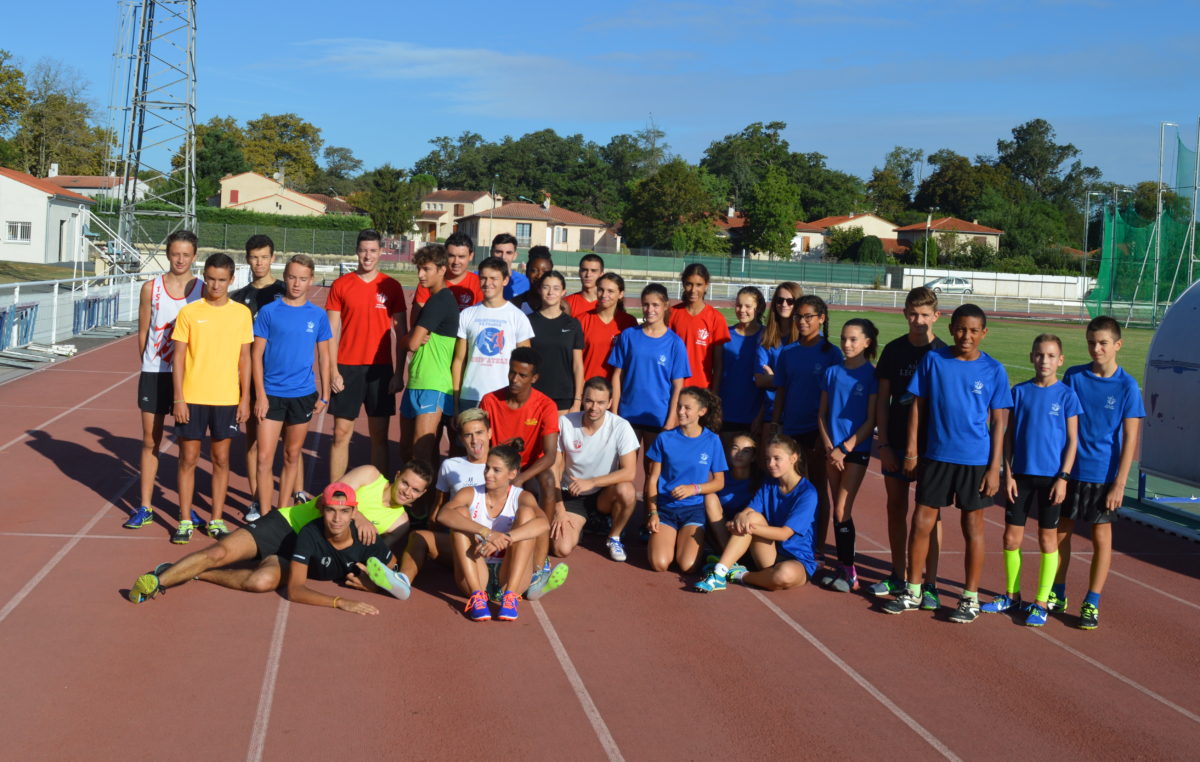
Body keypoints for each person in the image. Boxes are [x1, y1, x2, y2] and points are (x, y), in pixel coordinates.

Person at [127, 463, 431, 602]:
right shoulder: (370, 475)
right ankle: (157, 581)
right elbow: (330, 493)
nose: (408, 492)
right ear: (397, 475)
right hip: (288, 525)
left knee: (260, 582)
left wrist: (369, 583)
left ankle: (193, 573)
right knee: (219, 553)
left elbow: (371, 555)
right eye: (406, 483)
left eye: (416, 491)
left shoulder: (399, 522)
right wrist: (359, 518)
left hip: (313, 553)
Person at [883, 304, 1011, 623]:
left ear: (984, 333)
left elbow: (999, 423)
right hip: (937, 456)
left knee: (973, 528)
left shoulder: (994, 369)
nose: (966, 335)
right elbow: (917, 407)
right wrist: (912, 450)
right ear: (952, 328)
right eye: (961, 329)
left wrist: (995, 468)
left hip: (975, 461)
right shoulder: (934, 360)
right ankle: (913, 589)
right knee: (921, 521)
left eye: (973, 330)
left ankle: (969, 597)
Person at [980, 334, 1080, 627]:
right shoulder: (1019, 392)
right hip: (1020, 477)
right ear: (1031, 357)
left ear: (1060, 360)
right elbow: (1009, 437)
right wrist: (1007, 473)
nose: (1044, 361)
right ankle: (1012, 595)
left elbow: (1073, 441)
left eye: (1050, 356)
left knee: (1048, 540)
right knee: (1011, 538)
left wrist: (1063, 477)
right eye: (1039, 355)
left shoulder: (1067, 396)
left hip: (1052, 479)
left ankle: (1041, 602)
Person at [1052, 316, 1144, 630]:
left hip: (1104, 476)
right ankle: (1058, 591)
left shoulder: (1127, 386)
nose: (1097, 348)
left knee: (1100, 538)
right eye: (1092, 342)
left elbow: (1131, 437)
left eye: (1103, 342)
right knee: (1060, 532)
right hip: (1070, 470)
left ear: (1118, 345)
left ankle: (1092, 601)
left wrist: (1120, 483)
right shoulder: (1074, 376)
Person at [171, 252, 254, 543]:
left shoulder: (241, 313)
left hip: (227, 398)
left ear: (231, 280)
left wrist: (244, 399)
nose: (216, 285)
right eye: (210, 279)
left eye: (222, 280)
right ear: (204, 277)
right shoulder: (189, 313)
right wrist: (178, 398)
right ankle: (184, 520)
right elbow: (178, 359)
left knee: (221, 459)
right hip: (192, 397)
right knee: (188, 459)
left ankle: (216, 519)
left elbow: (245, 359)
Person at [870, 287, 946, 604]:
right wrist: (883, 443)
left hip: (933, 449)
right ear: (905, 314)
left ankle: (930, 582)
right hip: (896, 444)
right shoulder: (894, 351)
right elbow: (884, 402)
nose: (918, 321)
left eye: (925, 315)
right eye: (913, 314)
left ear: (936, 317)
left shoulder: (943, 354)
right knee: (896, 508)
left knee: (931, 515)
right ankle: (898, 574)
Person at [125, 230, 202, 530]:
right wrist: (148, 363)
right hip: (156, 373)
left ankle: (186, 508)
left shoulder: (203, 289)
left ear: (194, 256)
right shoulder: (151, 288)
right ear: (168, 254)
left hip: (191, 376)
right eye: (175, 254)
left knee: (188, 446)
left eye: (186, 254)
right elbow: (143, 330)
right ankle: (145, 507)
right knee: (150, 441)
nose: (180, 260)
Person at [437, 445, 560, 621]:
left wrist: (507, 538)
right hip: (476, 573)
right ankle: (477, 597)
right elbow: (444, 515)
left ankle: (510, 598)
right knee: (460, 515)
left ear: (512, 474)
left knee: (527, 514)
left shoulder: (521, 496)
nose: (488, 474)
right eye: (487, 467)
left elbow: (543, 524)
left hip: (509, 575)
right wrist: (486, 532)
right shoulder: (470, 493)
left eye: (496, 470)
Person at [251, 254, 332, 516]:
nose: (297, 283)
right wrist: (260, 395)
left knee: (291, 456)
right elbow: (256, 355)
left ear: (311, 281)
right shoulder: (268, 312)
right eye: (292, 277)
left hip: (303, 396)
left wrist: (325, 394)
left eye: (303, 278)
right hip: (272, 394)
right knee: (264, 459)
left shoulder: (318, 316)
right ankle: (265, 516)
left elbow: (324, 357)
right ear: (285, 277)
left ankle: (282, 513)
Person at [326, 229, 408, 481]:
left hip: (380, 370)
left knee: (379, 436)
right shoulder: (341, 285)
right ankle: (334, 493)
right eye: (363, 250)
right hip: (347, 368)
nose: (367, 256)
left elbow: (401, 334)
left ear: (381, 252)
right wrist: (332, 371)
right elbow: (330, 331)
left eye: (373, 250)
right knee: (341, 434)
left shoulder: (391, 287)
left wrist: (398, 373)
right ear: (357, 251)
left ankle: (378, 495)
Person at [480, 347, 563, 587]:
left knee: (548, 481)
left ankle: (540, 555)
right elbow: (482, 443)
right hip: (499, 467)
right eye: (512, 373)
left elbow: (549, 456)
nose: (515, 380)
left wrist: (519, 479)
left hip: (529, 468)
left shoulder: (546, 405)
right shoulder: (490, 400)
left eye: (522, 376)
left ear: (534, 378)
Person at [692, 435, 817, 593]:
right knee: (750, 517)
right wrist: (739, 519)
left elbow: (785, 534)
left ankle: (737, 575)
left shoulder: (807, 493)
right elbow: (748, 511)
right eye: (767, 459)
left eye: (777, 458)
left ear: (793, 458)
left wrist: (748, 527)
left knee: (783, 576)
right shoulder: (770, 483)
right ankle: (718, 574)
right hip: (768, 553)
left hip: (796, 558)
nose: (771, 464)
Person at [769, 295, 842, 556]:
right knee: (789, 487)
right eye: (799, 316)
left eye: (808, 316)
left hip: (818, 433)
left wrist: (830, 437)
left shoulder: (833, 354)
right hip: (791, 431)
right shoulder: (787, 353)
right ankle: (789, 542)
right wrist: (776, 424)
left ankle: (818, 546)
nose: (802, 321)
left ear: (821, 319)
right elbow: (781, 391)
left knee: (817, 490)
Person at [609, 283, 691, 509]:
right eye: (645, 305)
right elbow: (617, 376)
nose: (650, 310)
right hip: (628, 416)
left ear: (665, 306)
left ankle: (649, 517)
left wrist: (671, 418)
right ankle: (617, 517)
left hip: (658, 418)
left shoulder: (674, 342)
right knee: (623, 471)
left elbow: (678, 385)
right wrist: (615, 412)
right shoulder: (629, 336)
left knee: (653, 472)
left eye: (655, 305)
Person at [396, 408, 492, 592]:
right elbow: (439, 506)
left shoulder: (501, 465)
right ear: (461, 439)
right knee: (418, 537)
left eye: (479, 433)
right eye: (468, 435)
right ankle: (402, 581)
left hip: (493, 545)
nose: (474, 440)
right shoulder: (450, 466)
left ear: (489, 433)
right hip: (461, 543)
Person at [817, 318, 879, 592]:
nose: (846, 344)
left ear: (867, 342)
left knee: (843, 509)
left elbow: (871, 419)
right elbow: (822, 413)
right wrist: (831, 447)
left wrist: (845, 447)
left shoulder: (872, 375)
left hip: (855, 450)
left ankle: (851, 571)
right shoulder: (832, 372)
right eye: (843, 338)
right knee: (837, 510)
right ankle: (843, 567)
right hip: (832, 452)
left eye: (853, 339)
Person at [231, 234, 287, 520]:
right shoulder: (238, 298)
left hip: (283, 378)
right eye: (254, 257)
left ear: (273, 258)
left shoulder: (286, 290)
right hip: (252, 379)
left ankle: (290, 498)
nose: (259, 262)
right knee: (253, 440)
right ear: (247, 259)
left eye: (264, 257)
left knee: (289, 443)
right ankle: (256, 499)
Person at [555, 376, 639, 561]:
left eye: (600, 402)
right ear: (583, 399)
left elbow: (629, 471)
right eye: (590, 401)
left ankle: (614, 536)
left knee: (627, 490)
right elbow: (555, 468)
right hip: (573, 493)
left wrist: (591, 482)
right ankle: (582, 527)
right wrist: (558, 508)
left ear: (609, 403)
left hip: (603, 494)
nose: (594, 407)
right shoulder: (565, 422)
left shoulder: (621, 427)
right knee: (561, 548)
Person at [645, 387, 727, 573]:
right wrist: (653, 513)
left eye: (687, 408)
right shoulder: (664, 438)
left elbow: (719, 482)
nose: (681, 412)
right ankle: (669, 539)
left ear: (702, 411)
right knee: (660, 564)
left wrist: (694, 489)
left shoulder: (712, 440)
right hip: (666, 509)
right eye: (679, 406)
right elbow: (652, 479)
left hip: (693, 511)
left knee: (687, 566)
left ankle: (696, 543)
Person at [398, 244, 459, 474]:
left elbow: (412, 343)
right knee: (406, 451)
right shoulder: (433, 300)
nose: (421, 275)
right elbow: (414, 340)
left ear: (442, 270)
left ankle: (424, 508)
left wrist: (406, 339)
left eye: (426, 269)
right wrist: (411, 338)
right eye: (419, 269)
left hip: (433, 385)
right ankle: (420, 504)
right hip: (417, 382)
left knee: (420, 453)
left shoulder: (440, 301)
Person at [452, 256, 534, 412]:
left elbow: (527, 364)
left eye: (493, 278)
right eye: (483, 278)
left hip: (504, 397)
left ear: (505, 281)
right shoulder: (467, 314)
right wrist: (456, 400)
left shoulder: (518, 317)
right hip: (470, 397)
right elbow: (459, 361)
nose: (487, 283)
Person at [527, 270, 584, 414]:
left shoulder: (573, 324)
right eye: (546, 287)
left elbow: (577, 365)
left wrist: (577, 400)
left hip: (564, 396)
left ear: (563, 292)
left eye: (556, 288)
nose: (550, 292)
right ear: (540, 290)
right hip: (533, 395)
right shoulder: (527, 321)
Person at [668, 263, 729, 391]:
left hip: (702, 390)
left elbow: (718, 364)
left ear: (706, 285)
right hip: (673, 387)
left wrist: (714, 393)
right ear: (683, 284)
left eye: (699, 285)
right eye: (689, 284)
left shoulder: (716, 318)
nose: (693, 289)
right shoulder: (671, 314)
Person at [754, 282, 802, 430]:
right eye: (780, 300)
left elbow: (805, 380)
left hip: (801, 415)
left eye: (790, 301)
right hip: (771, 413)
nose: (784, 304)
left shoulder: (808, 338)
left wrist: (774, 378)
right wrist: (790, 378)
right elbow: (760, 379)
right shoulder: (766, 336)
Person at [719, 286, 765, 432]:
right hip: (727, 411)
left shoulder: (766, 336)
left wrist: (761, 414)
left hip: (755, 413)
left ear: (758, 308)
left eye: (748, 306)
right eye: (739, 305)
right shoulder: (725, 335)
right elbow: (718, 372)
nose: (742, 310)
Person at [410, 231, 481, 326]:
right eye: (451, 256)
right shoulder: (429, 281)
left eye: (461, 256)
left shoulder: (479, 283)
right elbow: (416, 320)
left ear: (471, 256)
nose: (456, 262)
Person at [703, 432, 759, 551]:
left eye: (746, 451)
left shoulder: (760, 481)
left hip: (746, 533)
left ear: (753, 457)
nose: (739, 454)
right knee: (709, 497)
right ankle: (727, 553)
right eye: (735, 448)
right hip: (721, 531)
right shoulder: (720, 477)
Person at [578, 272, 636, 382]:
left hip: (617, 389)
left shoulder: (629, 322)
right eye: (601, 289)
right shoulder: (581, 320)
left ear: (621, 294)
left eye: (610, 291)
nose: (604, 295)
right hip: (588, 390)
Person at [511, 246, 553, 314]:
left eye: (544, 272)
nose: (539, 276)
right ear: (527, 272)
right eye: (534, 271)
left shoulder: (561, 306)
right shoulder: (515, 303)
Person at [491, 233, 529, 300]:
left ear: (515, 255)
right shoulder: (476, 278)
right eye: (499, 252)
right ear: (491, 252)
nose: (503, 257)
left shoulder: (525, 282)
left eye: (508, 253)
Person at [565, 253, 604, 318]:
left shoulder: (608, 303)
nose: (588, 275)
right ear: (579, 272)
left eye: (593, 271)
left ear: (601, 274)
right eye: (584, 270)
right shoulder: (567, 303)